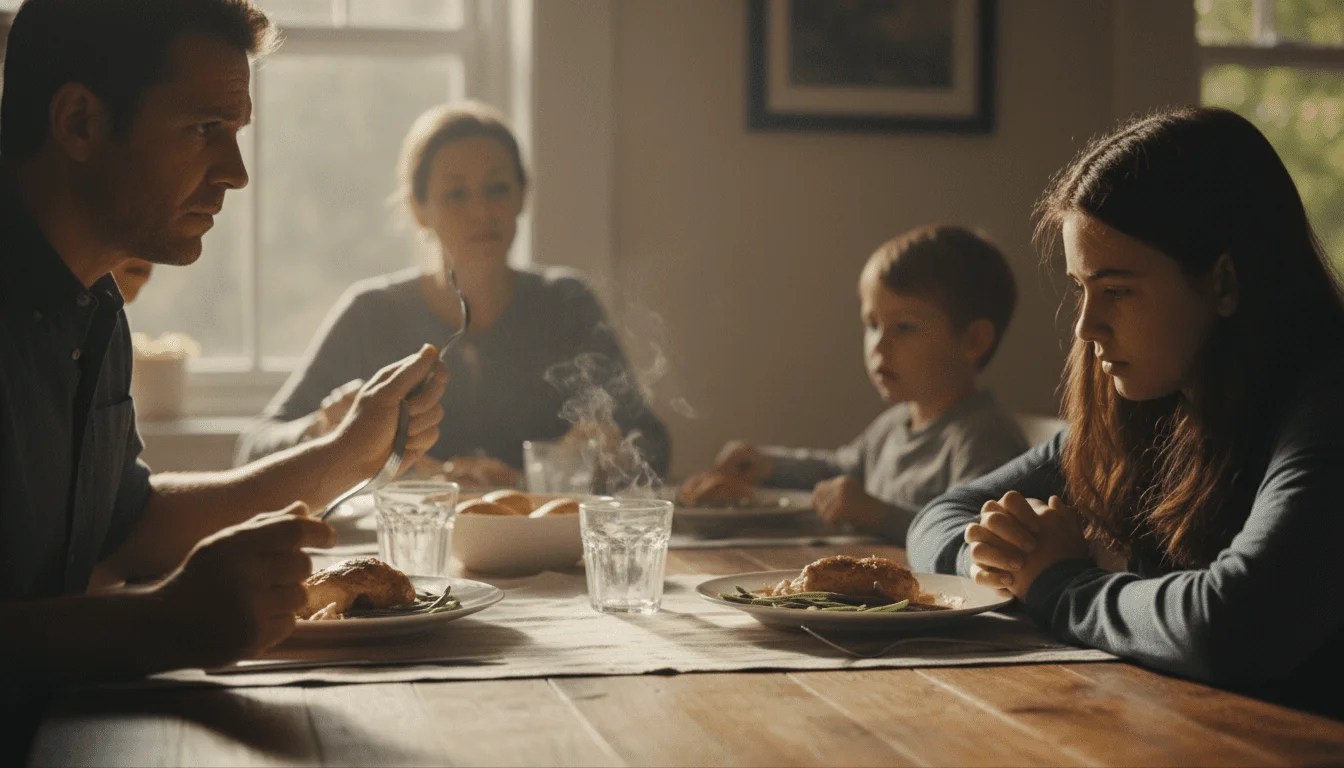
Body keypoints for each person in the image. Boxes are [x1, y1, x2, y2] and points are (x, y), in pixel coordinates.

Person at [0, 0, 449, 755]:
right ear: (79, 123)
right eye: (205, 130)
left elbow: (130, 525)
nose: (236, 175)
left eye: (235, 135)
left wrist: (345, 452)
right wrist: (164, 623)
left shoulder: (96, 304)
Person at [906, 106, 1344, 718]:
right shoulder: (1156, 399)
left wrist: (1058, 584)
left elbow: (1235, 623)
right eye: (1081, 289)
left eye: (1116, 291)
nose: (1086, 327)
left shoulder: (1328, 407)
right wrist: (1000, 557)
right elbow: (939, 517)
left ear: (1223, 284)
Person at [234, 101, 670, 489]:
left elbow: (653, 445)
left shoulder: (566, 302)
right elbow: (253, 448)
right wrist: (321, 428)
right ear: (419, 209)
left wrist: (608, 447)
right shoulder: (371, 314)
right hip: (411, 550)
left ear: (522, 196)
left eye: (498, 188)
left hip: (540, 543)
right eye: (456, 194)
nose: (482, 211)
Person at [685, 225, 1027, 543]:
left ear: (973, 341)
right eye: (872, 324)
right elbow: (840, 470)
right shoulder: (893, 426)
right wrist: (768, 465)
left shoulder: (983, 437)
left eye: (903, 327)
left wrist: (879, 516)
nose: (878, 345)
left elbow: (972, 539)